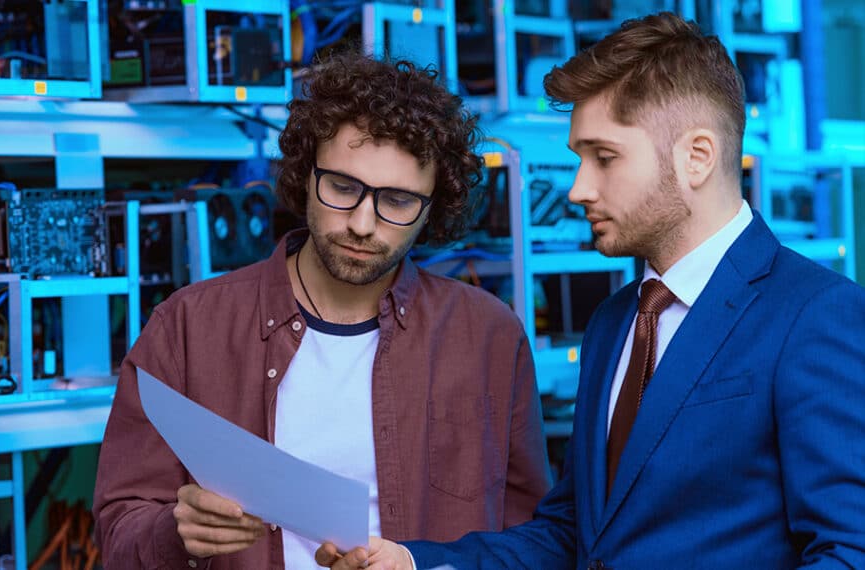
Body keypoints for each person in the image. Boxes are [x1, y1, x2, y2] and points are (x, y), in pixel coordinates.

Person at [316, 12, 865, 570]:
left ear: (696, 157)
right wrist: (411, 563)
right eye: (581, 159)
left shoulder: (815, 315)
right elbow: (574, 535)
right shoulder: (614, 323)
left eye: (604, 157)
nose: (578, 188)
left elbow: (850, 550)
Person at [91, 50, 553, 569]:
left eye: (397, 201)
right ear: (306, 173)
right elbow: (118, 532)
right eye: (342, 187)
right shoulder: (188, 327)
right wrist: (174, 532)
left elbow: (536, 541)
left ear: (433, 207)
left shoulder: (487, 336)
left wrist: (417, 563)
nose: (361, 223)